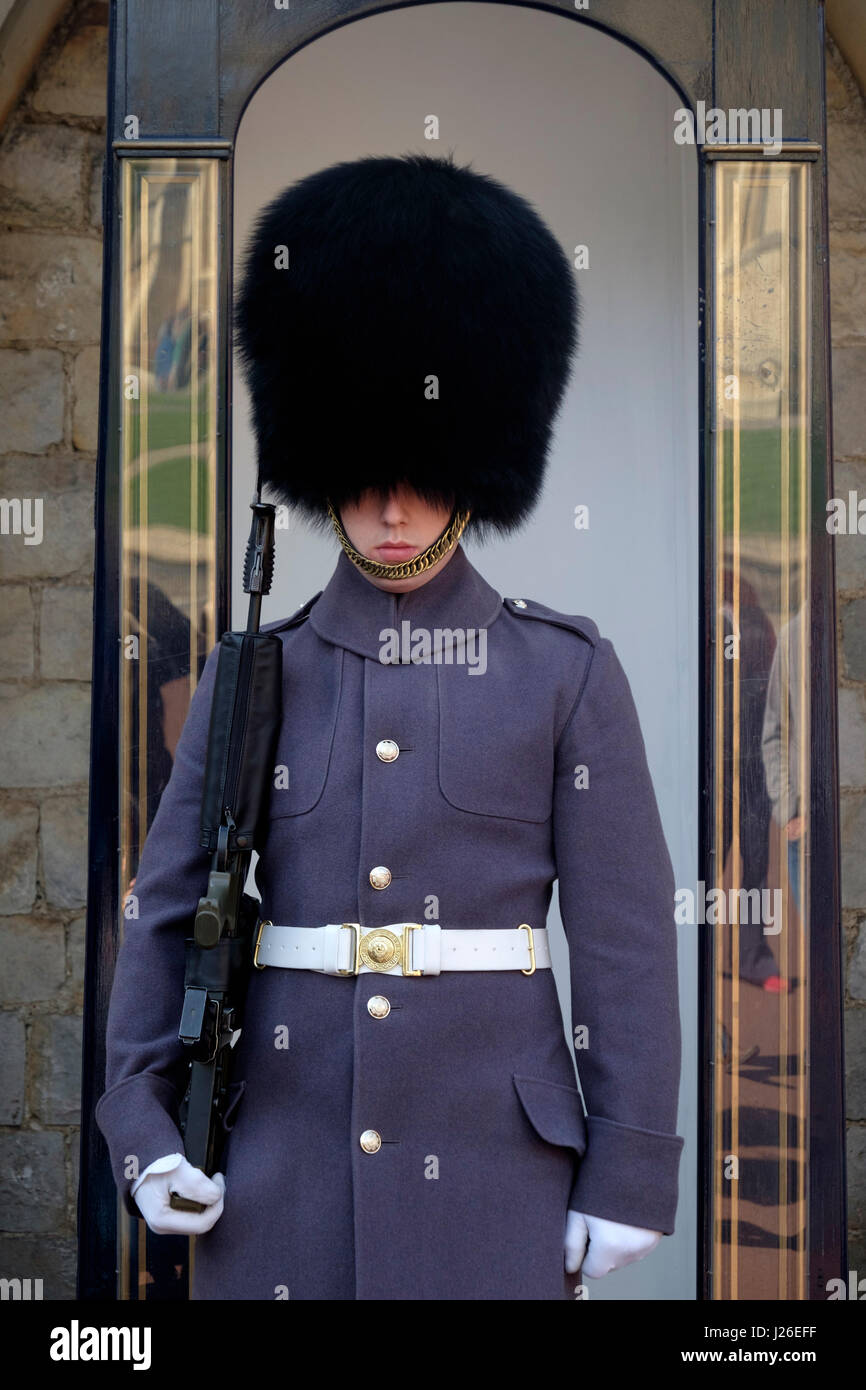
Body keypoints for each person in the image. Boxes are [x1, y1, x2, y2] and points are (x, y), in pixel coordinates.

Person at [96, 151, 685, 1301]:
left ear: (475, 468)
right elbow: (168, 911)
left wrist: (628, 1165)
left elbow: (623, 942)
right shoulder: (256, 676)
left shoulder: (562, 672)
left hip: (493, 1178)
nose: (394, 502)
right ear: (322, 472)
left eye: (419, 469)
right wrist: (145, 1124)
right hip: (277, 1177)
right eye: (364, 472)